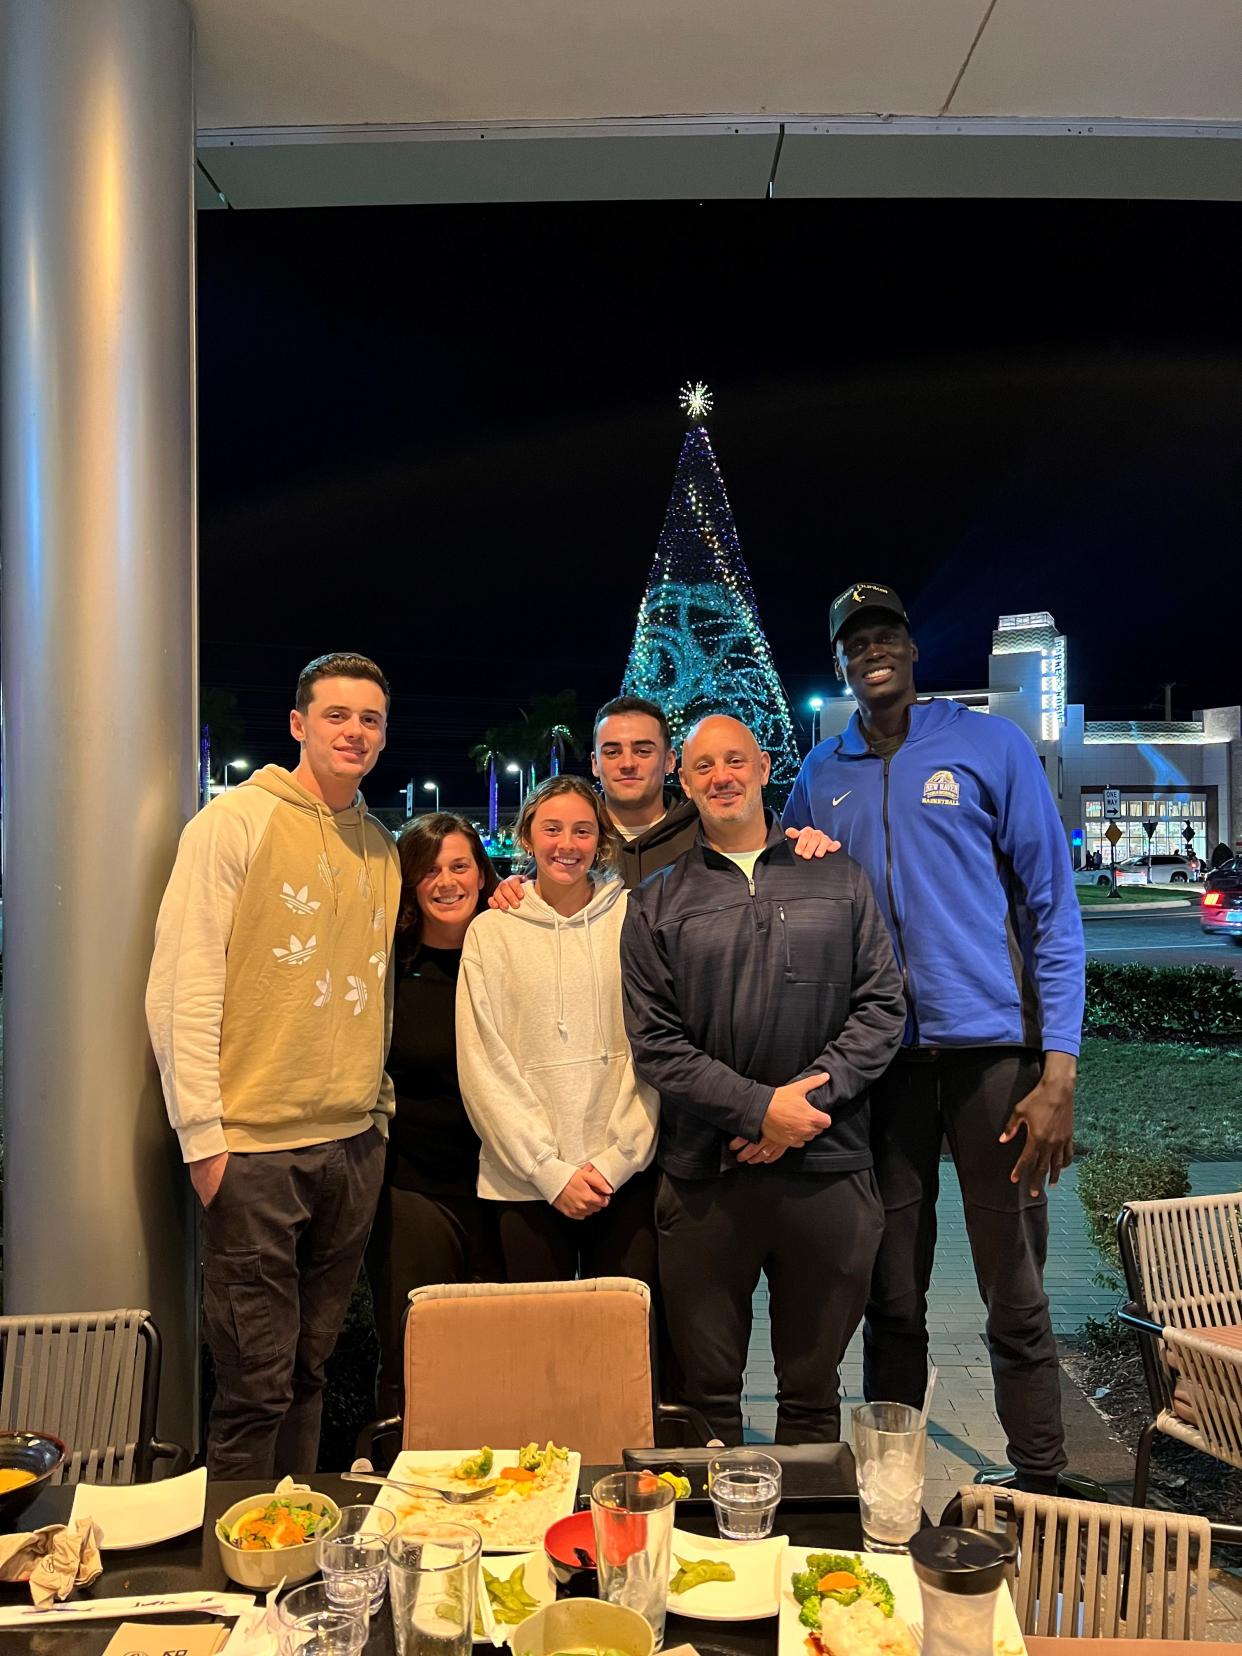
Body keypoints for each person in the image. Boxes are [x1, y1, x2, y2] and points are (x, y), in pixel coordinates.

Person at [782, 581, 1086, 1493]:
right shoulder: (818, 772)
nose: (872, 651)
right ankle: (891, 1485)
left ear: (911, 649)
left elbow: (1053, 910)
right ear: (840, 664)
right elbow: (785, 899)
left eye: (886, 635)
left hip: (995, 1059)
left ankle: (1043, 1477)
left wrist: (1058, 1069)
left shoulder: (987, 744)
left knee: (1016, 1290)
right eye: (854, 642)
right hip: (883, 1070)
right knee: (893, 1294)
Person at [146, 652, 400, 1478]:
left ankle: (296, 1550)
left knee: (309, 1369)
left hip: (352, 1144)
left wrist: (377, 1112)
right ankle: (234, 1568)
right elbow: (182, 985)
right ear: (299, 724)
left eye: (370, 719)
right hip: (252, 1148)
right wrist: (203, 1137)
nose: (354, 731)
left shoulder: (383, 848)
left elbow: (375, 987)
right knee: (253, 1381)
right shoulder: (233, 823)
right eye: (337, 715)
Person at [621, 715, 906, 1444]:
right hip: (705, 1179)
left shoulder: (836, 875)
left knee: (812, 1396)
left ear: (763, 767)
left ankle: (807, 1545)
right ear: (683, 783)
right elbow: (655, 1042)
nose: (721, 776)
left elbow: (881, 1008)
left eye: (735, 761)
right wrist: (756, 1112)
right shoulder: (655, 901)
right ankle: (708, 1552)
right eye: (704, 766)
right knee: (707, 1399)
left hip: (829, 1170)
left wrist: (800, 1109)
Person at [456, 775, 660, 1285]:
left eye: (582, 831)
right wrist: (548, 1171)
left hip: (622, 1178)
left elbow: (654, 1048)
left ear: (601, 840)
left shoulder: (633, 918)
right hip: (522, 1183)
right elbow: (483, 1066)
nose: (566, 845)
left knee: (620, 1349)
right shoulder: (491, 931)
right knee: (537, 1355)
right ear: (527, 837)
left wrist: (618, 1160)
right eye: (551, 829)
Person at [365, 813, 501, 1419]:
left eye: (459, 866)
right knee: (414, 1353)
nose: (446, 882)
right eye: (428, 871)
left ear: (481, 872)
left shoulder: (511, 951)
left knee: (499, 1355)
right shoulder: (387, 966)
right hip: (414, 1184)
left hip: (510, 1187)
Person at [491, 695, 838, 908]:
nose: (627, 762)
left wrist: (803, 844)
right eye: (612, 752)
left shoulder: (708, 832)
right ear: (595, 764)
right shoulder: (575, 842)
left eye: (643, 750)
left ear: (671, 762)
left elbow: (758, 845)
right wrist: (515, 888)